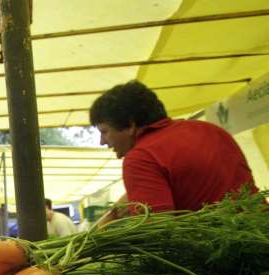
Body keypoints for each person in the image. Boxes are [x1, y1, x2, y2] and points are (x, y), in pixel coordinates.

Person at [89, 80, 256, 218]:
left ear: (130, 125)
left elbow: (158, 235)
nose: (102, 142)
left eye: (105, 131)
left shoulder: (141, 157)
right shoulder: (211, 130)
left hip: (225, 254)